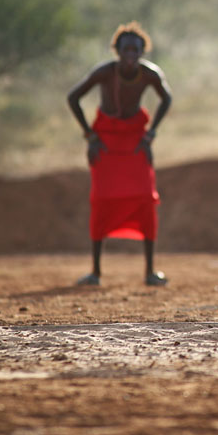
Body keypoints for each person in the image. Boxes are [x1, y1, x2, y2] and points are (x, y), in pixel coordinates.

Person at [67, 22, 172, 287]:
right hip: (105, 142)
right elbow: (73, 97)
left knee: (146, 199)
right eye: (126, 50)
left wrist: (150, 134)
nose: (130, 55)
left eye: (135, 50)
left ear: (142, 51)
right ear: (117, 51)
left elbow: (167, 99)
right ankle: (95, 272)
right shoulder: (104, 72)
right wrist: (90, 136)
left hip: (136, 141)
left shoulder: (150, 74)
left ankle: (150, 271)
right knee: (101, 201)